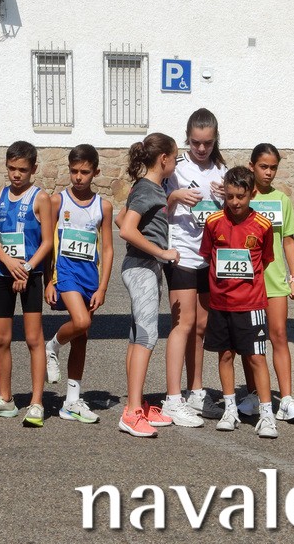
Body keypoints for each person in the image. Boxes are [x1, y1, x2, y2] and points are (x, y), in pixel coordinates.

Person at [0, 141, 53, 427]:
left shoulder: (40, 198)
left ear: (33, 168)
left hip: (30, 275)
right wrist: (9, 263)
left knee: (34, 338)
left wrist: (27, 269)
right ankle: (6, 399)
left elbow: (48, 241)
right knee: (0, 338)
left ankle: (36, 402)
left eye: (22, 169)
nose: (16, 174)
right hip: (3, 272)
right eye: (12, 168)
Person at [200, 166, 278, 438]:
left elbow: (265, 259)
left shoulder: (263, 225)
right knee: (225, 355)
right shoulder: (213, 222)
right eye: (230, 196)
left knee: (256, 357)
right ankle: (230, 409)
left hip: (251, 304)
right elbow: (208, 255)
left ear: (251, 194)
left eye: (240, 197)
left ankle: (267, 414)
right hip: (220, 303)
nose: (234, 202)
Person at [162, 108, 226, 423]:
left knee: (201, 326)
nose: (201, 148)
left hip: (209, 258)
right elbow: (153, 208)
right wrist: (174, 196)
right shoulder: (174, 168)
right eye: (196, 142)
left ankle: (196, 390)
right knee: (183, 324)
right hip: (182, 255)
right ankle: (173, 398)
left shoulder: (222, 170)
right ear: (187, 138)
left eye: (207, 143)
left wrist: (229, 196)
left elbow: (234, 212)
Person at [235, 143, 294, 423]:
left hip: (275, 280)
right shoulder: (241, 197)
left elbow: (288, 239)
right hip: (246, 280)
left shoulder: (281, 199)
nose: (268, 172)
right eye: (263, 167)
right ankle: (253, 395)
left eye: (273, 167)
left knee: (278, 335)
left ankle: (286, 399)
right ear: (251, 166)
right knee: (250, 341)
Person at [44, 144, 113, 424]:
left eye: (84, 172)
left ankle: (71, 401)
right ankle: (52, 346)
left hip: (90, 277)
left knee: (82, 337)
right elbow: (48, 244)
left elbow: (107, 248)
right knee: (81, 322)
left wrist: (103, 287)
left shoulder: (103, 206)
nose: (78, 177)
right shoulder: (57, 202)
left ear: (96, 172)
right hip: (66, 273)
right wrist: (49, 281)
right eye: (74, 171)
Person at [117, 133, 180, 437]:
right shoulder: (148, 189)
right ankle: (131, 413)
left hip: (143, 267)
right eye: (175, 158)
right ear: (163, 159)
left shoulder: (145, 188)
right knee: (146, 336)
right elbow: (126, 230)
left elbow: (121, 219)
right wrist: (161, 252)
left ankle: (137, 404)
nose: (176, 163)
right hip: (141, 267)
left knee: (137, 335)